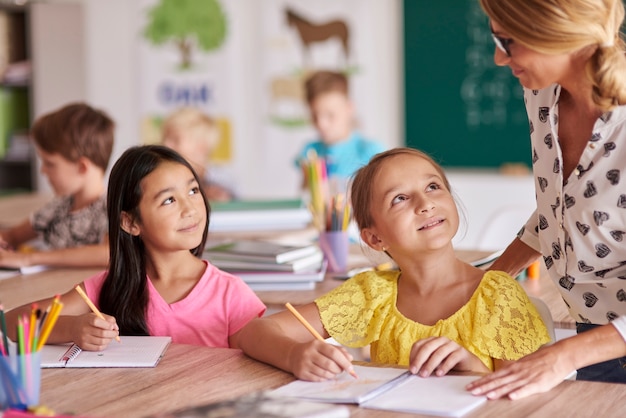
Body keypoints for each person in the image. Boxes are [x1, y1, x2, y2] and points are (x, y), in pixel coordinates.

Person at [238, 147, 549, 381]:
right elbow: (254, 332)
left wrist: (470, 366)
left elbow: (524, 403)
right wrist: (295, 354)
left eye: (433, 187)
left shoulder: (499, 297)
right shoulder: (371, 294)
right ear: (375, 239)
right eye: (400, 198)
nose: (425, 204)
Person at [466, 0, 626, 400]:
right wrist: (493, 279)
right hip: (594, 339)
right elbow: (565, 206)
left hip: (597, 343)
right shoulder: (542, 97)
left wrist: (561, 357)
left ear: (558, 32)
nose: (498, 58)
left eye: (508, 42)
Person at [5, 145, 265, 350]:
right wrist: (71, 328)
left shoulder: (230, 294)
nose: (190, 209)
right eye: (169, 200)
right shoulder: (110, 286)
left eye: (194, 191)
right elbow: (12, 322)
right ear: (130, 222)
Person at [0, 102, 114, 269]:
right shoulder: (58, 207)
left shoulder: (112, 208)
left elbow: (109, 253)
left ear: (82, 167)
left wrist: (30, 258)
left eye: (50, 164)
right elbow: (13, 235)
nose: (43, 171)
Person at [294, 70, 385, 189]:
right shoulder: (310, 152)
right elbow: (305, 196)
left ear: (349, 108)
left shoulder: (371, 152)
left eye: (330, 115)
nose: (321, 124)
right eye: (315, 115)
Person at [161, 107, 238, 202]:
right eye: (165, 138)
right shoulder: (159, 179)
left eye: (175, 140)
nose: (165, 145)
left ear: (202, 146)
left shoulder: (223, 183)